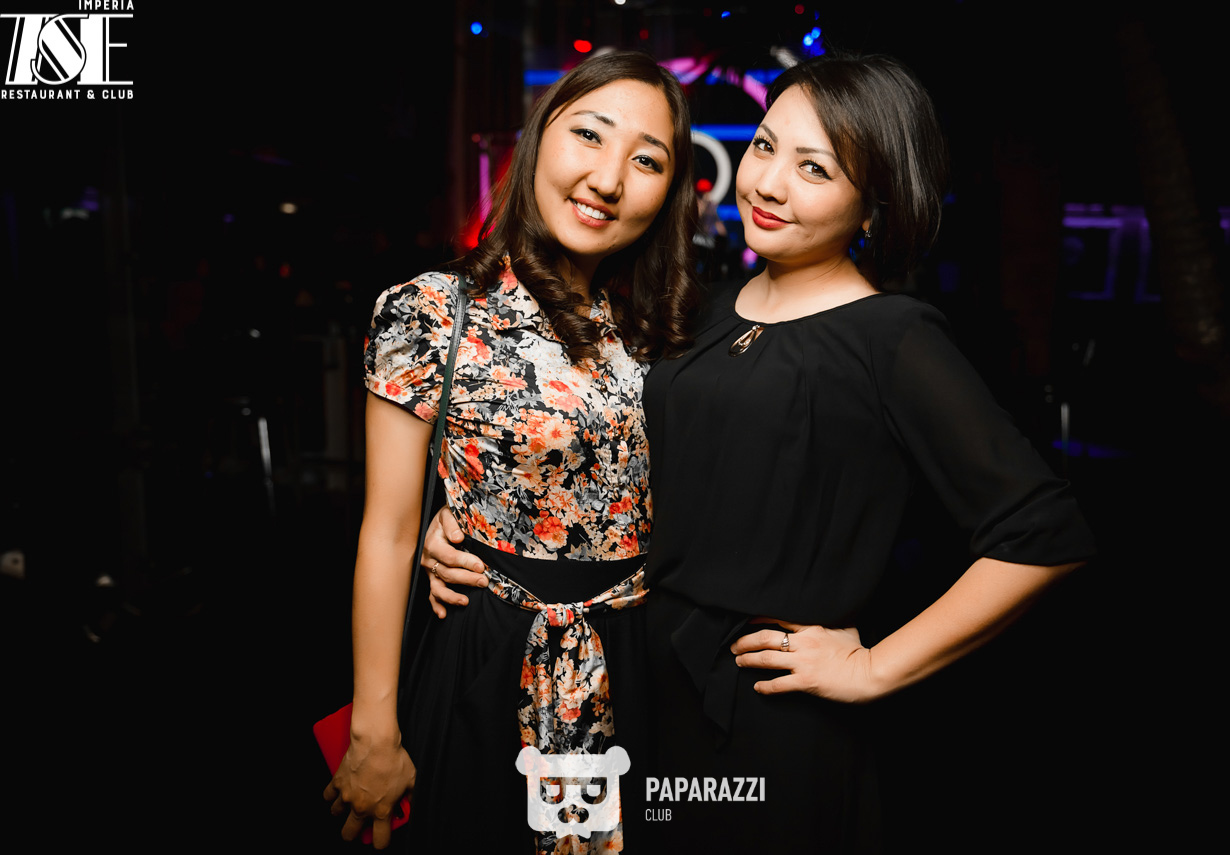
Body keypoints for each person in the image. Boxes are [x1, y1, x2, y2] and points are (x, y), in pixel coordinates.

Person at [425, 52, 1095, 851]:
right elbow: (612, 455)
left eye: (815, 168)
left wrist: (876, 666)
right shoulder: (702, 308)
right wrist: (475, 524)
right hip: (638, 689)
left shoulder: (893, 337)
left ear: (872, 209)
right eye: (766, 147)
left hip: (768, 719)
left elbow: (1044, 532)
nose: (769, 184)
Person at [323, 50, 700, 853]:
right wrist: (373, 730)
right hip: (488, 656)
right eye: (589, 135)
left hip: (635, 664)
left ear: (671, 191)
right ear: (536, 139)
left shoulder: (664, 329)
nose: (608, 178)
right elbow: (388, 532)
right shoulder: (430, 311)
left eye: (646, 160)